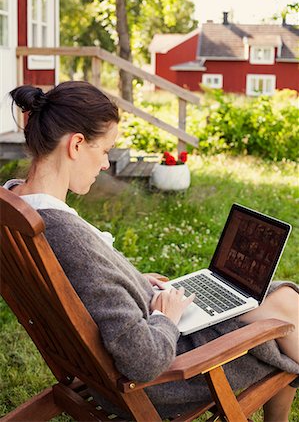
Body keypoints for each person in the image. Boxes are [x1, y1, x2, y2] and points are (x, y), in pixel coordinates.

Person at [4, 81, 299, 422]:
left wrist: (132, 282)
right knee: (282, 321)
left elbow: (89, 288)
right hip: (162, 376)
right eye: (105, 151)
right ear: (76, 144)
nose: (105, 165)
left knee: (276, 299)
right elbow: (142, 361)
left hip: (100, 362)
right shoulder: (66, 237)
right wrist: (165, 316)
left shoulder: (17, 202)